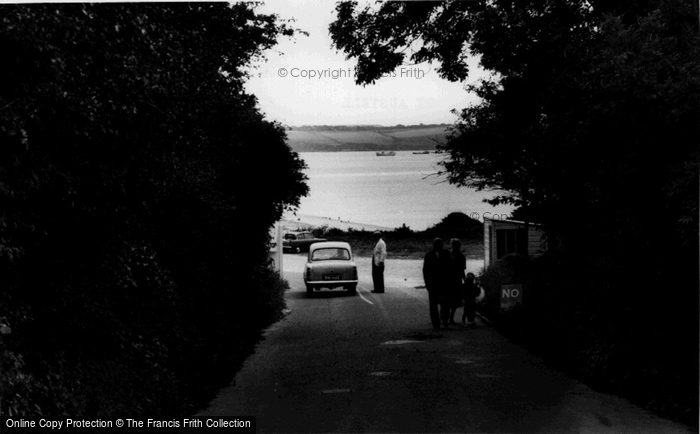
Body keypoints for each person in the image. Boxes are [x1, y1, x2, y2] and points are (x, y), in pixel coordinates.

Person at [422, 238, 452, 329]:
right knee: (433, 305)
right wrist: (427, 283)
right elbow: (425, 270)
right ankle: (436, 323)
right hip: (433, 283)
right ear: (434, 246)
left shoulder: (447, 254)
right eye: (437, 245)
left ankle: (445, 320)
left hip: (444, 283)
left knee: (445, 304)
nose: (439, 246)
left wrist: (450, 282)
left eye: (440, 245)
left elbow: (450, 269)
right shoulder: (429, 255)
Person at [448, 238, 467, 324]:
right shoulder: (460, 256)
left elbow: (462, 270)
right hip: (454, 279)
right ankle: (450, 317)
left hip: (453, 279)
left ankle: (450, 317)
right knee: (453, 300)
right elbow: (462, 270)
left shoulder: (450, 255)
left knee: (453, 300)